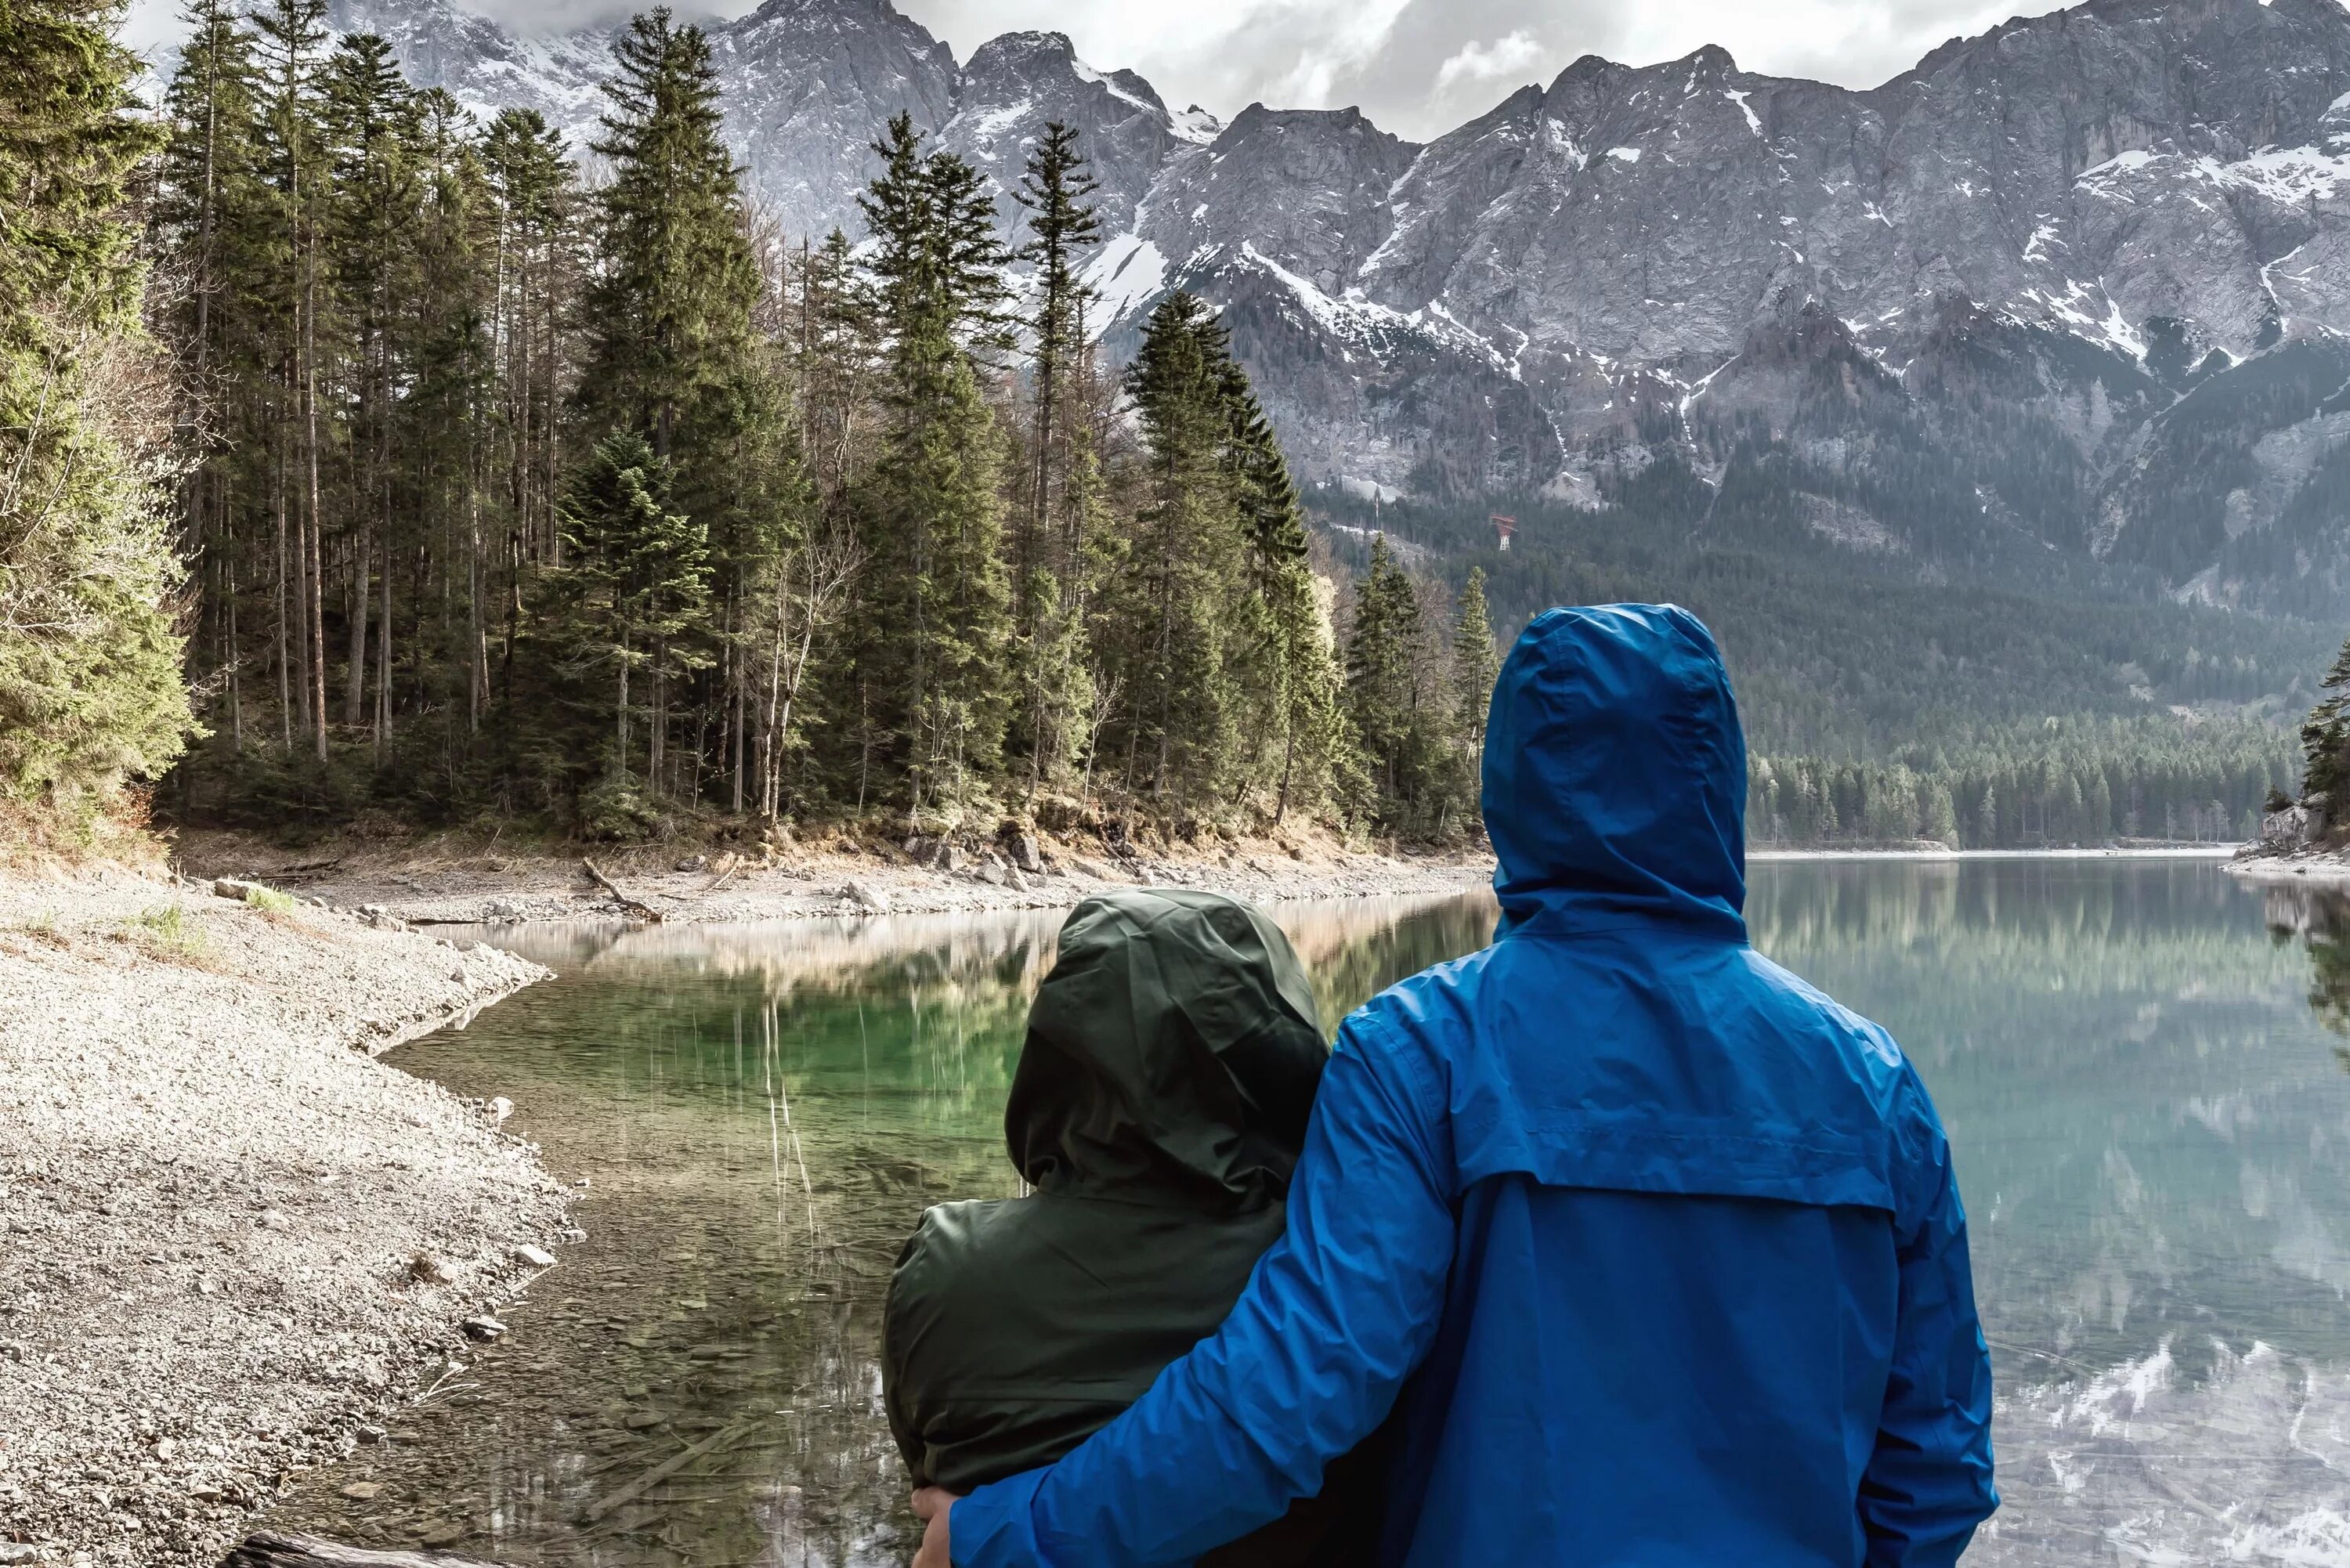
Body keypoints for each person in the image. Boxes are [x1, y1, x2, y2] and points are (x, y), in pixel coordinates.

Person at [914, 603, 1998, 1567]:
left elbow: (1290, 1397)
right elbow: (1939, 1466)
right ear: (1721, 783)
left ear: (1511, 787)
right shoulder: (1874, 1084)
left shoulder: (1420, 1050)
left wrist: (1012, 1533)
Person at [883, 887, 1384, 1566]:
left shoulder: (942, 1268)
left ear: (1059, 1045)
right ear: (1281, 1048)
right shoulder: (1338, 1280)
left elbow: (925, 1469)